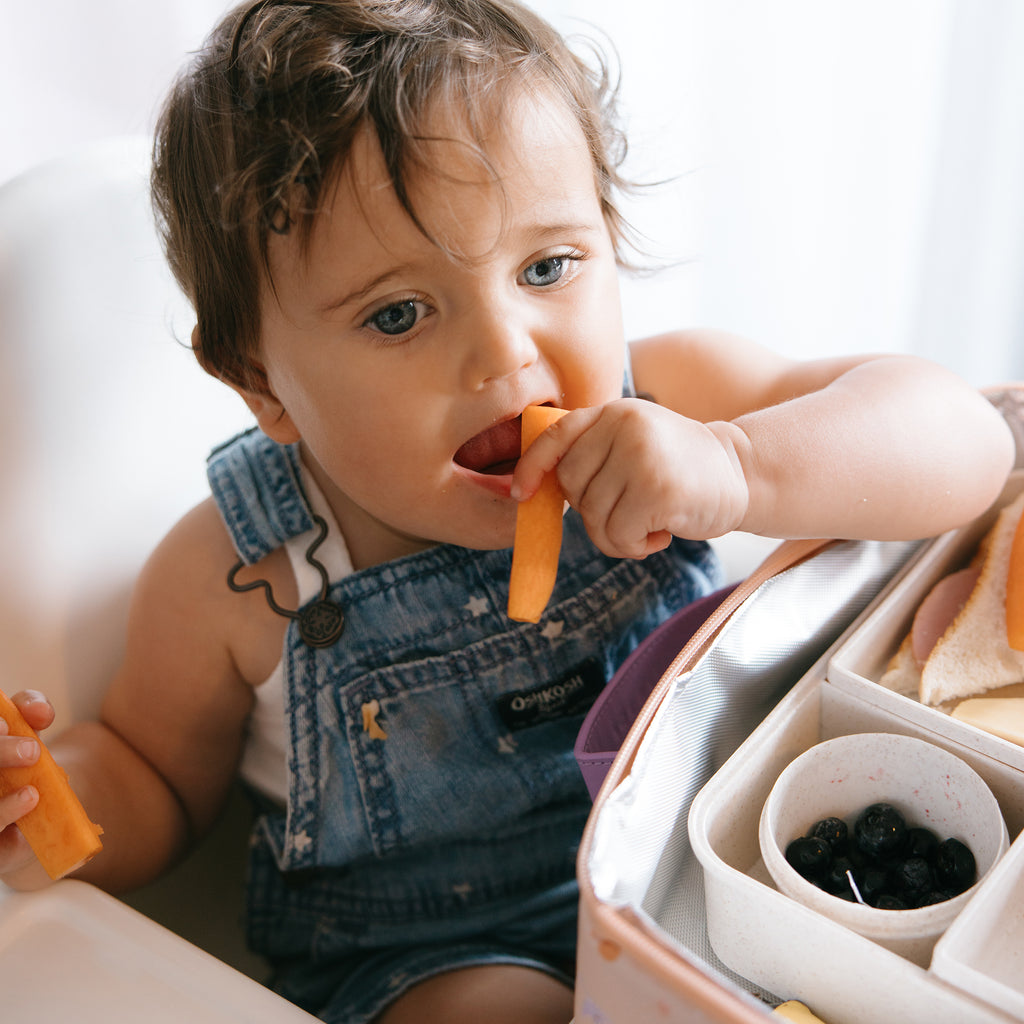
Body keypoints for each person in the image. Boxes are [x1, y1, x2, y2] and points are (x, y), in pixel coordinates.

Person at [0, 1, 1014, 1021]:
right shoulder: (241, 575)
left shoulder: (676, 399)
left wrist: (740, 464)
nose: (503, 352)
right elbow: (152, 780)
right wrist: (45, 796)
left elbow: (969, 441)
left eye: (546, 267)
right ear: (262, 383)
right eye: (398, 314)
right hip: (441, 951)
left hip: (700, 871)